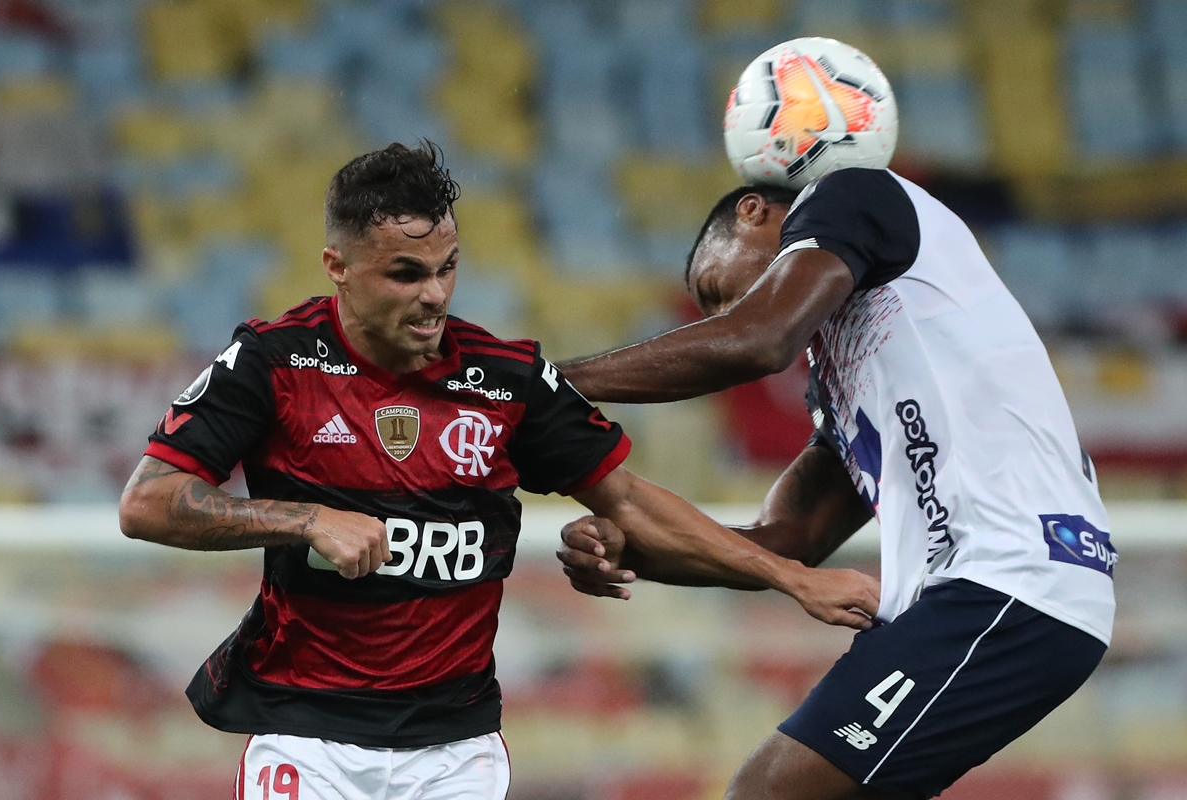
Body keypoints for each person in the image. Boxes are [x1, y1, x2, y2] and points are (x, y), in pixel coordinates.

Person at [117, 141, 879, 800]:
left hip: (455, 749)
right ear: (337, 268)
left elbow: (633, 504)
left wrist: (794, 578)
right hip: (307, 736)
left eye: (447, 268)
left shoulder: (501, 377)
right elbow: (148, 503)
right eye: (406, 274)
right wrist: (306, 517)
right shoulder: (272, 362)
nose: (435, 296)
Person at [556, 166, 1116, 800]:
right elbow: (790, 538)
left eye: (715, 286)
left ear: (755, 213)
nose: (720, 313)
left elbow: (753, 342)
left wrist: (541, 384)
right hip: (981, 597)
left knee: (768, 791)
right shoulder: (851, 371)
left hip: (1012, 579)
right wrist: (636, 552)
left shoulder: (853, 194)